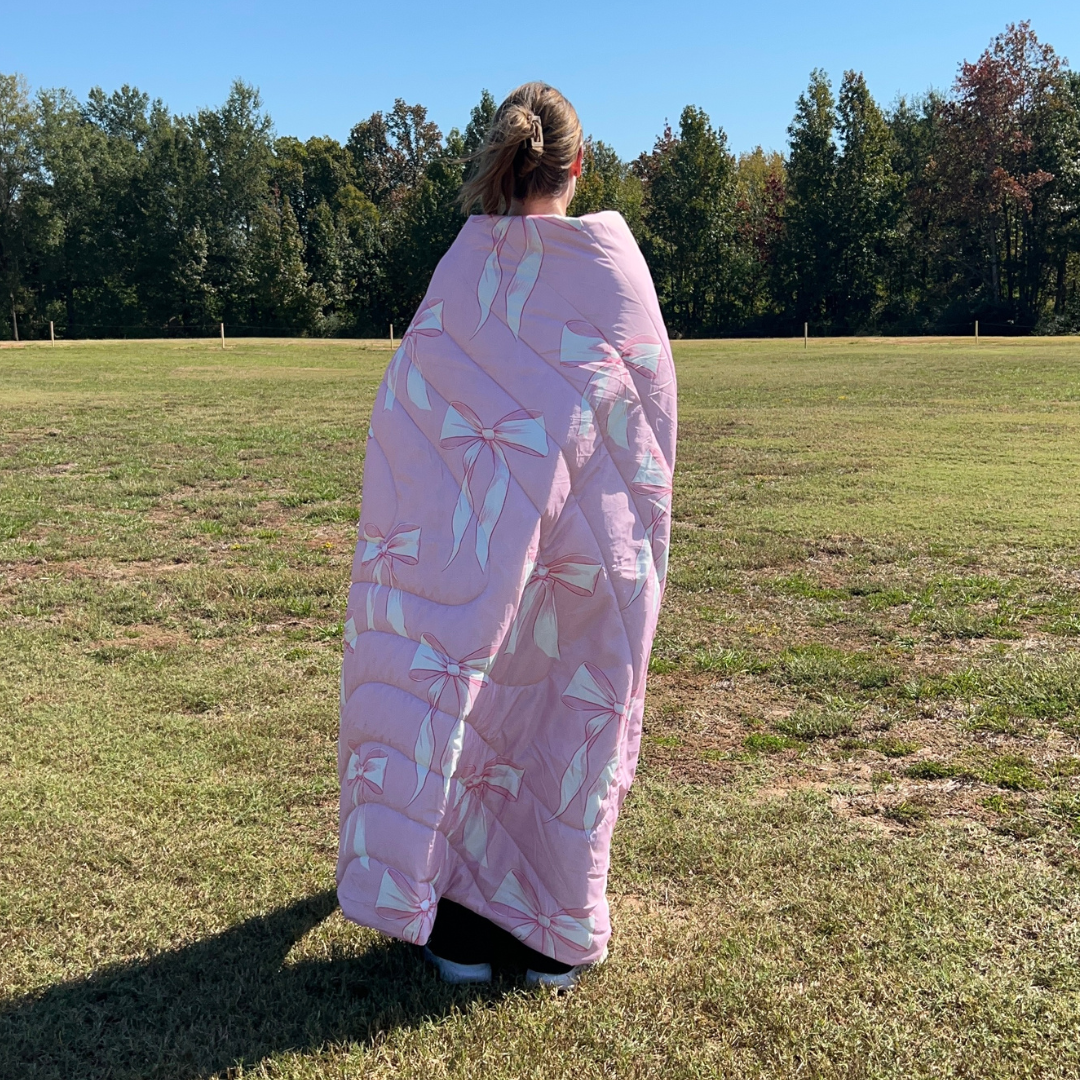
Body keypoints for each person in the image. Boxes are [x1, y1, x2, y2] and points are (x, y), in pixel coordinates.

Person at [337, 81, 677, 989]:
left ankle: (458, 924)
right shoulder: (615, 271)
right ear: (580, 166)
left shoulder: (465, 271)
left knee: (468, 699)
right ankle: (554, 930)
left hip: (475, 545)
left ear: (501, 167)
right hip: (587, 554)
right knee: (568, 707)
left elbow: (412, 413)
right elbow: (644, 424)